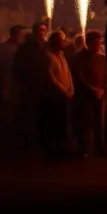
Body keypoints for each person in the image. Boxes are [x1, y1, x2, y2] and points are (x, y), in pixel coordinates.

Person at [71, 30, 107, 156]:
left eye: (100, 43)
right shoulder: (79, 58)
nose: (99, 46)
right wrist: (92, 90)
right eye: (97, 43)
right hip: (85, 96)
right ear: (89, 43)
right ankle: (85, 149)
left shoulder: (102, 58)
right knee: (86, 123)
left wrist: (103, 89)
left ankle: (100, 148)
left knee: (100, 123)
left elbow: (106, 76)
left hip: (100, 96)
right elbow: (79, 77)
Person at [39, 31, 74, 159]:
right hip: (52, 97)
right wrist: (64, 91)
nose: (64, 42)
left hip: (63, 96)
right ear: (53, 41)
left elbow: (67, 73)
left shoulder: (62, 56)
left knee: (62, 124)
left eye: (64, 40)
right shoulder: (47, 57)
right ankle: (51, 151)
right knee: (52, 124)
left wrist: (71, 89)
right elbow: (51, 78)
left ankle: (61, 149)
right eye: (61, 40)